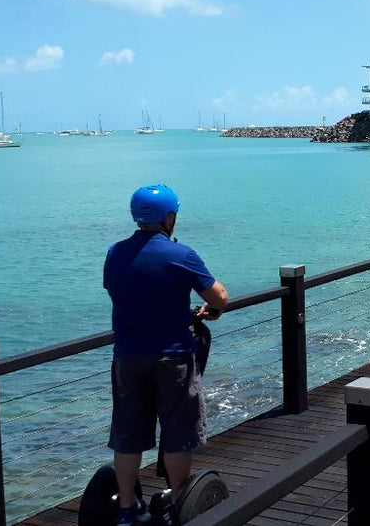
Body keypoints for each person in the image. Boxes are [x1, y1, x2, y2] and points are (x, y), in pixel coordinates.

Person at [103, 184, 230, 525]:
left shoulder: (115, 253)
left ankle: (126, 509)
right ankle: (178, 504)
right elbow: (219, 296)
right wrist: (213, 310)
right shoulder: (181, 254)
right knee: (178, 431)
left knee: (128, 433)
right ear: (169, 217)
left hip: (127, 356)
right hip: (173, 356)